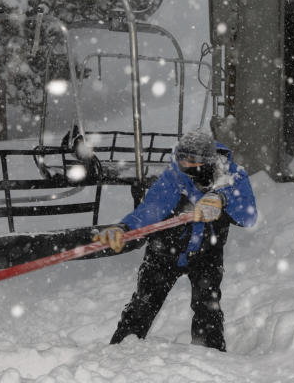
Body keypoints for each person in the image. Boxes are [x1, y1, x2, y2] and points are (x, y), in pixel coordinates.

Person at [94, 129, 257, 352]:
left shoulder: (232, 175)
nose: (183, 166)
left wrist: (222, 199)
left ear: (207, 162)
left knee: (207, 310)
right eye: (180, 159)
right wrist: (126, 227)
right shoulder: (175, 175)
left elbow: (249, 215)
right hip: (166, 249)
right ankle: (118, 354)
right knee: (143, 304)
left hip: (206, 252)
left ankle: (210, 360)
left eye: (190, 162)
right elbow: (152, 207)